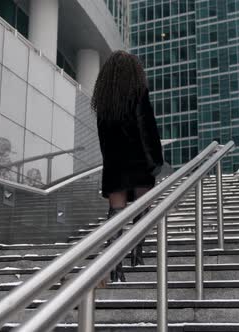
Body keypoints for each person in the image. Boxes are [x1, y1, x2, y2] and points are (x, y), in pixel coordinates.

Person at [92, 50, 164, 282]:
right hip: (138, 161)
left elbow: (103, 139)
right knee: (141, 208)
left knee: (116, 213)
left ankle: (114, 264)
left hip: (114, 165)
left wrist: (109, 161)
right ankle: (136, 252)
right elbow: (147, 129)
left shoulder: (104, 100)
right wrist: (155, 160)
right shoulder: (138, 93)